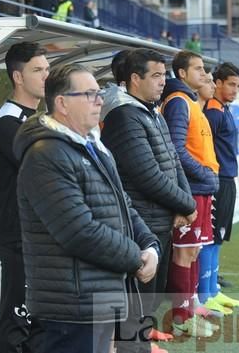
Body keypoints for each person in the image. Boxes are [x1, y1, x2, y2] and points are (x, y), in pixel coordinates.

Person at [13, 63, 160, 353]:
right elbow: (79, 231)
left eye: (99, 93)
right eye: (90, 94)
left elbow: (123, 206)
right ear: (62, 103)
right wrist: (136, 257)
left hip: (99, 295)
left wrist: (151, 246)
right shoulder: (45, 155)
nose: (99, 100)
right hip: (70, 306)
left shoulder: (92, 146)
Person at [101, 49, 196, 353]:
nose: (162, 82)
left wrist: (184, 203)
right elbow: (147, 175)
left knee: (151, 288)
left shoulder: (149, 110)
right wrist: (187, 205)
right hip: (140, 219)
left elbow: (173, 162)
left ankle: (145, 337)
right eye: (155, 76)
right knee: (138, 289)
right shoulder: (124, 116)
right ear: (134, 79)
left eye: (163, 75)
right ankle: (136, 344)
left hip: (160, 216)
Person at [0, 42, 49, 353]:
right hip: (18, 234)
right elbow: (41, 169)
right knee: (17, 317)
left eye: (47, 69)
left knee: (38, 318)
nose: (45, 76)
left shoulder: (37, 117)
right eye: (37, 70)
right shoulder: (7, 121)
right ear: (18, 77)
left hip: (39, 233)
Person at [160, 50, 219, 338]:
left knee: (194, 251)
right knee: (184, 253)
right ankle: (181, 316)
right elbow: (175, 150)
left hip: (201, 187)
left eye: (204, 67)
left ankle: (191, 307)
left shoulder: (192, 102)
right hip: (190, 189)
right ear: (181, 73)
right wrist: (205, 173)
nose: (205, 73)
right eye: (198, 68)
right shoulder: (179, 102)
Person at [201, 63, 239, 314]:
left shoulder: (224, 109)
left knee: (218, 237)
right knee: (210, 237)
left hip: (227, 180)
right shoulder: (213, 113)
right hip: (217, 181)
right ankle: (205, 295)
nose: (235, 90)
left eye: (238, 86)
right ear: (217, 83)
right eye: (231, 84)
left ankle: (213, 290)